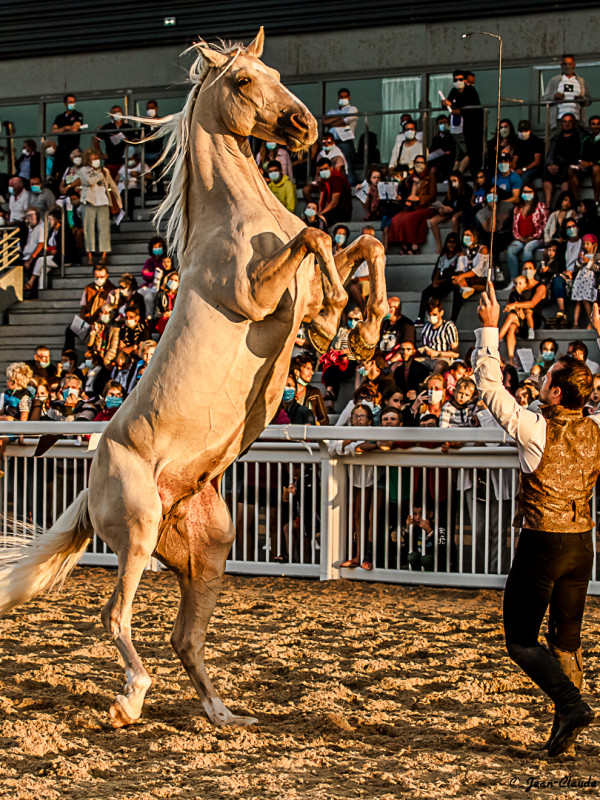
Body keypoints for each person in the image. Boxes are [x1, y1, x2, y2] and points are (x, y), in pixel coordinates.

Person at [473, 283, 600, 758]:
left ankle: (570, 705)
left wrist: (488, 327)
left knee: (522, 640)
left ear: (554, 390)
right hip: (582, 545)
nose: (542, 379)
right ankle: (564, 729)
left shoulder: (535, 427)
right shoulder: (595, 426)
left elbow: (489, 388)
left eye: (548, 377)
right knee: (566, 643)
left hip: (542, 545)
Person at [328, 404, 375, 569]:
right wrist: (350, 442)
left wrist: (354, 445)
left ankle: (367, 556)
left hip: (375, 480)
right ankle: (358, 555)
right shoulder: (347, 433)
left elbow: (359, 448)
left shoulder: (374, 433)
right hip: (356, 481)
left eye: (362, 416)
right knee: (357, 517)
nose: (358, 419)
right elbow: (333, 449)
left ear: (370, 420)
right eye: (355, 416)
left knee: (370, 518)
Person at [80, 149, 121, 266]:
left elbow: (112, 185)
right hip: (89, 202)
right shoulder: (83, 170)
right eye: (93, 159)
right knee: (89, 229)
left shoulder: (104, 171)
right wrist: (99, 175)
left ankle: (104, 255)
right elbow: (89, 181)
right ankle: (90, 255)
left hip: (103, 201)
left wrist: (119, 202)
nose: (95, 161)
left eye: (96, 159)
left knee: (104, 229)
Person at [388, 155, 436, 254]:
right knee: (397, 219)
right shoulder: (410, 178)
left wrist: (419, 199)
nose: (419, 165)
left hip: (425, 206)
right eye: (417, 162)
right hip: (412, 207)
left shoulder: (430, 177)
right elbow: (405, 191)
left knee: (409, 218)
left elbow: (432, 195)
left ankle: (412, 244)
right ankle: (404, 245)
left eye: (421, 162)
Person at [499, 266, 545, 361]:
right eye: (524, 268)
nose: (527, 270)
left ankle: (497, 339)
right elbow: (509, 304)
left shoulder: (531, 291)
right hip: (517, 317)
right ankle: (511, 358)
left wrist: (516, 306)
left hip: (531, 318)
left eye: (530, 268)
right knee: (511, 326)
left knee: (515, 316)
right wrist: (516, 309)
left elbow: (531, 304)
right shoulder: (514, 292)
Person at [443, 69, 483, 174]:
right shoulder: (453, 91)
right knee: (458, 154)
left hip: (469, 128)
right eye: (455, 80)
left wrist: (454, 108)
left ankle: (458, 174)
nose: (458, 82)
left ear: (464, 80)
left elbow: (470, 110)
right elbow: (449, 107)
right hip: (456, 129)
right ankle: (454, 173)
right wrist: (445, 104)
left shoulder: (471, 91)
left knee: (468, 152)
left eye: (460, 79)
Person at [543, 114, 585, 209]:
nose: (567, 124)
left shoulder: (580, 137)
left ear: (574, 123)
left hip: (572, 166)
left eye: (569, 121)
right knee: (546, 174)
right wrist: (550, 165)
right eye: (564, 121)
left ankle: (565, 205)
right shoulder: (556, 138)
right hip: (557, 165)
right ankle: (548, 206)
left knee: (566, 174)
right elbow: (550, 155)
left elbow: (582, 155)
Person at [507, 187, 548, 281]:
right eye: (525, 192)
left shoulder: (540, 206)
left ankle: (528, 278)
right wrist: (519, 238)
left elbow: (545, 224)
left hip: (537, 239)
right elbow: (514, 227)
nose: (527, 194)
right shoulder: (517, 208)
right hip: (521, 239)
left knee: (528, 248)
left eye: (530, 191)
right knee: (511, 250)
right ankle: (514, 279)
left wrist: (533, 237)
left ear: (534, 193)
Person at [541, 54, 591, 132]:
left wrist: (582, 100)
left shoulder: (581, 81)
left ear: (574, 65)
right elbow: (543, 100)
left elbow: (588, 100)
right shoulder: (554, 81)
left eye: (570, 64)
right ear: (561, 65)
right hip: (559, 121)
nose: (568, 66)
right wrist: (554, 97)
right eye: (565, 64)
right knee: (558, 142)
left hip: (576, 120)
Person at [428, 170, 472, 253]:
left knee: (454, 219)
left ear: (460, 179)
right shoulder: (451, 189)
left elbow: (465, 205)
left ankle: (455, 245)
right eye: (451, 181)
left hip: (461, 210)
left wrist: (452, 209)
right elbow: (446, 202)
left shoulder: (467, 189)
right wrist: (441, 209)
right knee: (433, 221)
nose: (453, 183)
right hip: (450, 211)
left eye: (454, 180)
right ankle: (439, 246)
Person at [451, 229, 489, 318]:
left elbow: (479, 270)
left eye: (468, 235)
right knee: (454, 280)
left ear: (474, 237)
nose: (466, 237)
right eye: (464, 235)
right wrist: (461, 278)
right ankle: (466, 287)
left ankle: (468, 288)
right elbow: (460, 269)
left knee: (458, 281)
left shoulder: (483, 249)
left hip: (481, 277)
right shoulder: (464, 252)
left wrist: (461, 277)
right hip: (468, 278)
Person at [325, 88, 358, 185]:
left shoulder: (352, 109)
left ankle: (351, 186)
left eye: (345, 96)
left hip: (345, 141)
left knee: (348, 166)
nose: (343, 98)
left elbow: (343, 122)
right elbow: (323, 122)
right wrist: (339, 117)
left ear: (349, 97)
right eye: (341, 96)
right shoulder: (333, 111)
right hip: (333, 142)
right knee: (333, 164)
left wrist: (332, 122)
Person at [96, 104, 136, 180]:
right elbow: (96, 139)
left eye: (119, 111)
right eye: (114, 112)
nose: (117, 113)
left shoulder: (128, 127)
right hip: (110, 162)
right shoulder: (107, 127)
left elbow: (135, 141)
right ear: (111, 115)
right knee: (111, 183)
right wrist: (100, 153)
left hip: (125, 161)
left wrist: (128, 140)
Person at [51, 93, 83, 179]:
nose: (72, 104)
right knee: (58, 171)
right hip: (61, 148)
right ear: (65, 103)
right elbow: (53, 131)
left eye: (73, 102)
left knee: (71, 171)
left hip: (72, 148)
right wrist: (66, 127)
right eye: (70, 102)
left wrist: (61, 129)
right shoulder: (59, 117)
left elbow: (75, 129)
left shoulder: (78, 115)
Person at [571, 234, 600, 329]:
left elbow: (597, 268)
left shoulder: (596, 256)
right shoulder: (582, 254)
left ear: (593, 244)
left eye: (588, 244)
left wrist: (589, 262)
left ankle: (591, 322)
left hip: (590, 281)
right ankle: (575, 323)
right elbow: (576, 268)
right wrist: (579, 261)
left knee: (586, 300)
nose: (585, 246)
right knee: (578, 301)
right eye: (584, 244)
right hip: (580, 280)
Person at [569, 116, 600, 204]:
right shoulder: (586, 139)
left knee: (596, 168)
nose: (596, 126)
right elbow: (582, 155)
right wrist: (580, 164)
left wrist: (591, 163)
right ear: (590, 126)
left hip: (597, 167)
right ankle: (575, 201)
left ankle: (596, 201)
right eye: (593, 124)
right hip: (587, 167)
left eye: (598, 124)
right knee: (572, 170)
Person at [419, 298, 459, 364]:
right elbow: (423, 346)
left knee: (440, 365)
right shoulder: (426, 327)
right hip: (428, 359)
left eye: (434, 314)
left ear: (441, 313)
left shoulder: (448, 326)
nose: (431, 317)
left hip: (444, 359)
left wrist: (437, 353)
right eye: (429, 314)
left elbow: (455, 353)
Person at [315, 158, 352, 226]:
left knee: (321, 220)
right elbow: (321, 199)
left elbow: (334, 203)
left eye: (325, 169)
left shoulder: (337, 179)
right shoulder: (323, 180)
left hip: (341, 212)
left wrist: (321, 213)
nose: (323, 171)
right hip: (330, 211)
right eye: (321, 170)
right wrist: (318, 212)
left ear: (331, 168)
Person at [117, 150, 149, 219]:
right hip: (126, 188)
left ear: (135, 158)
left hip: (138, 188)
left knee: (128, 194)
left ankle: (129, 215)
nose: (128, 161)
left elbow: (149, 176)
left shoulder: (142, 165)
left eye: (130, 159)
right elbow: (117, 178)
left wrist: (138, 174)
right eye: (127, 159)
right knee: (123, 193)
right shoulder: (124, 167)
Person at [511, 120, 545, 185]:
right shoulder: (518, 142)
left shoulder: (536, 142)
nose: (523, 132)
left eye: (525, 130)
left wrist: (523, 169)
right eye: (521, 131)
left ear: (529, 130)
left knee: (524, 178)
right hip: (520, 168)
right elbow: (515, 159)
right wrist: (511, 169)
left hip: (533, 169)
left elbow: (537, 162)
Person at [88, 303, 121, 367]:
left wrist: (103, 364)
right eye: (101, 312)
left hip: (106, 362)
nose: (101, 314)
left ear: (112, 314)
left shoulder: (115, 328)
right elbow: (90, 345)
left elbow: (113, 350)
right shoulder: (99, 326)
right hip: (95, 358)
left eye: (105, 312)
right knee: (86, 367)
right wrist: (93, 334)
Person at [427, 114, 456, 181]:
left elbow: (451, 151)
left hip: (448, 160)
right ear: (437, 125)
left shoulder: (452, 137)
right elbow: (432, 152)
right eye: (440, 123)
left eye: (445, 123)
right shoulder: (435, 138)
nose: (443, 125)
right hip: (437, 160)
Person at [154, 269, 179, 336]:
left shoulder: (181, 294)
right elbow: (156, 313)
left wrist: (173, 314)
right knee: (164, 320)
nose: (173, 281)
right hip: (164, 319)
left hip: (177, 318)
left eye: (176, 280)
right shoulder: (161, 293)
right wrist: (163, 314)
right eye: (171, 279)